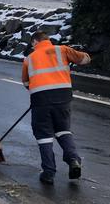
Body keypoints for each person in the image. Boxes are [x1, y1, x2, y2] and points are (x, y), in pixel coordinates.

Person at [22, 31, 91, 184]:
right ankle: (73, 159)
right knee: (63, 130)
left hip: (40, 100)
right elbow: (85, 59)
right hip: (63, 98)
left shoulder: (29, 59)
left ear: (34, 42)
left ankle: (48, 172)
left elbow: (26, 83)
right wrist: (82, 53)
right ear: (48, 40)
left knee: (44, 135)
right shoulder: (62, 50)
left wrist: (38, 88)